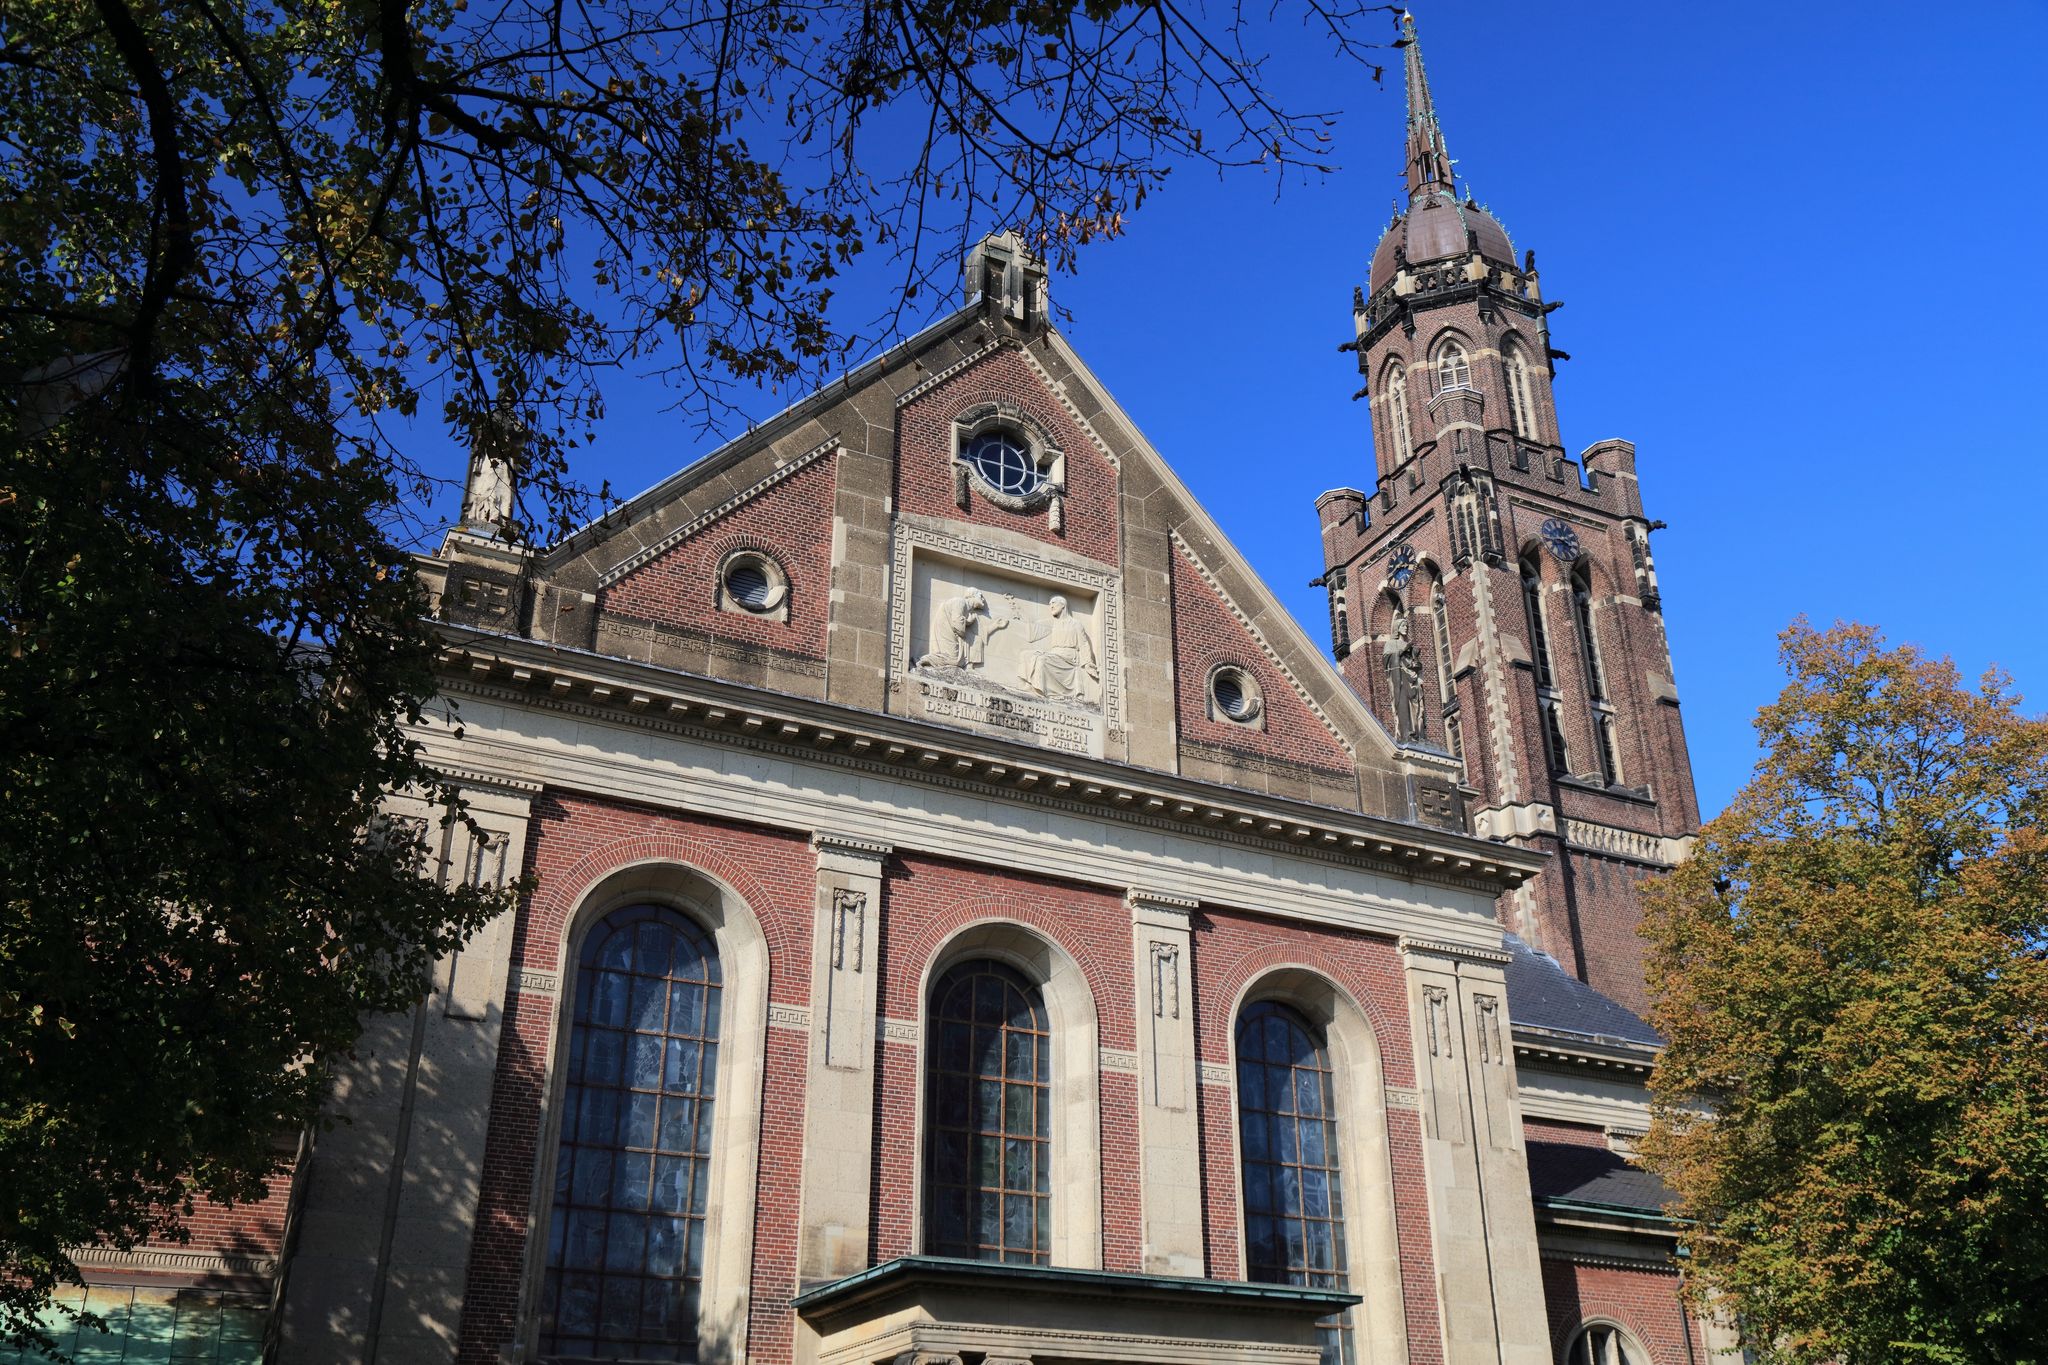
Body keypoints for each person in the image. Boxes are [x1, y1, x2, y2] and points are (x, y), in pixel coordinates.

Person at [1014, 595, 1098, 701]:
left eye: (1054, 603)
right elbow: (1034, 630)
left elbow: (1083, 644)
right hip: (1054, 654)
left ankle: (1039, 690)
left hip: (1068, 657)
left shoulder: (1076, 624)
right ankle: (1025, 687)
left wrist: (1088, 664)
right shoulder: (1053, 623)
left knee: (1041, 660)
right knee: (1025, 654)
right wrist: (1021, 614)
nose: (1051, 606)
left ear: (1063, 605)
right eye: (1050, 604)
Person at [919, 590, 1007, 669]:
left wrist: (996, 625)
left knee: (976, 639)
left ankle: (969, 667)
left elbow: (981, 633)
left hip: (952, 634)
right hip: (946, 635)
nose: (983, 599)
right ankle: (928, 660)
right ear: (972, 596)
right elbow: (957, 625)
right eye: (980, 596)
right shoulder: (960, 602)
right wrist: (968, 621)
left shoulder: (969, 612)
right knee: (954, 661)